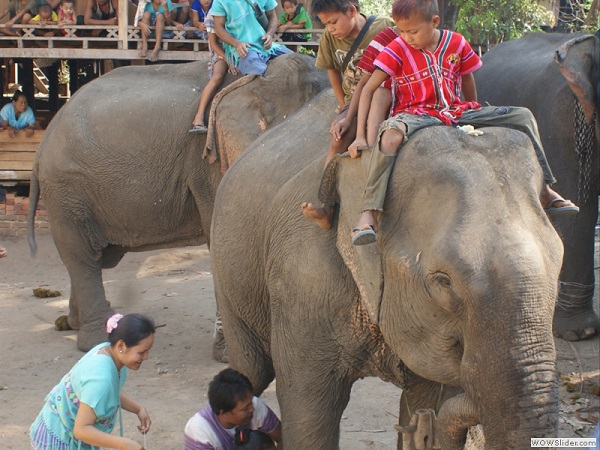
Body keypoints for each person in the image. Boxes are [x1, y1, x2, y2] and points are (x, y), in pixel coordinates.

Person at [349, 0, 578, 246]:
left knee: (523, 116)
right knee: (390, 137)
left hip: (457, 110)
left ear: (434, 22)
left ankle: (544, 189)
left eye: (413, 31)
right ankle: (369, 211)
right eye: (402, 31)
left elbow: (467, 79)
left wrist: (475, 111)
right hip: (414, 113)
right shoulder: (396, 48)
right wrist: (361, 136)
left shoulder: (456, 43)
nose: (407, 37)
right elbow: (369, 89)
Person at [299, 0, 393, 228]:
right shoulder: (329, 38)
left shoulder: (382, 28)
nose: (330, 28)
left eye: (333, 22)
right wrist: (343, 109)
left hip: (384, 93)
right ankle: (327, 207)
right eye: (325, 24)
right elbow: (332, 72)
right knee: (337, 142)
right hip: (354, 100)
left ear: (352, 10)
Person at [30, 313, 156, 450]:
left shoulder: (108, 352)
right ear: (121, 346)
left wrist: (138, 409)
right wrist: (125, 444)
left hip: (56, 428)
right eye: (141, 352)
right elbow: (81, 430)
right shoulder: (101, 378)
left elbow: (108, 392)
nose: (146, 357)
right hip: (59, 440)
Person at [183, 368, 282, 450]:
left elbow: (283, 438)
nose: (252, 409)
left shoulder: (255, 406)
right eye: (245, 409)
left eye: (250, 402)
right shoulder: (199, 432)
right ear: (224, 413)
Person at [210, 0, 293, 76]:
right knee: (259, 72)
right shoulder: (220, 1)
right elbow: (219, 27)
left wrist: (269, 34)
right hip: (244, 49)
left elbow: (272, 16)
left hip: (267, 46)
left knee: (296, 61)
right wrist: (236, 43)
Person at [189, 10, 239, 134]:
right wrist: (228, 60)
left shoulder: (239, 8)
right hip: (222, 52)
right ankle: (199, 117)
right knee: (217, 76)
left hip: (239, 49)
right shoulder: (212, 15)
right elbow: (213, 43)